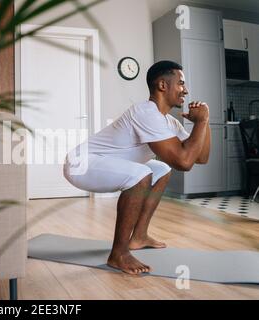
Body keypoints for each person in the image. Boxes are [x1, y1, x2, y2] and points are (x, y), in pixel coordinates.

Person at [63, 60, 211, 275]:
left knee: (161, 170)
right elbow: (184, 162)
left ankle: (139, 236)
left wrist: (204, 122)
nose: (185, 90)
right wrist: (199, 123)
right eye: (180, 83)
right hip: (81, 163)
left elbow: (201, 157)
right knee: (142, 172)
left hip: (107, 163)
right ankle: (119, 254)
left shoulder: (169, 122)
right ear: (162, 85)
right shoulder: (146, 113)